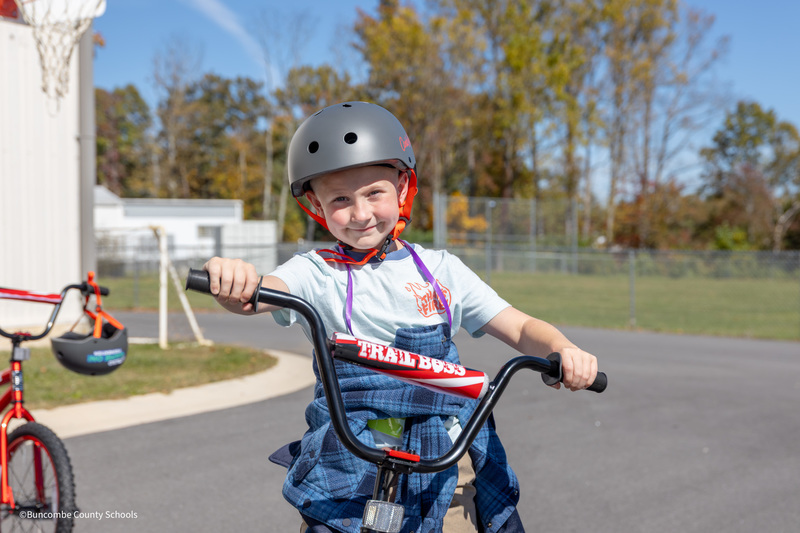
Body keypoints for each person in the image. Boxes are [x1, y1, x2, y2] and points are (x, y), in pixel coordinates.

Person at [203, 101, 598, 533]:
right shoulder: (317, 271)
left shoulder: (441, 271)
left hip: (444, 461)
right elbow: (260, 295)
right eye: (340, 199)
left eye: (374, 192)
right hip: (349, 462)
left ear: (402, 186)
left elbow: (520, 327)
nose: (360, 213)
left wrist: (563, 349)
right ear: (316, 204)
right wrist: (237, 281)